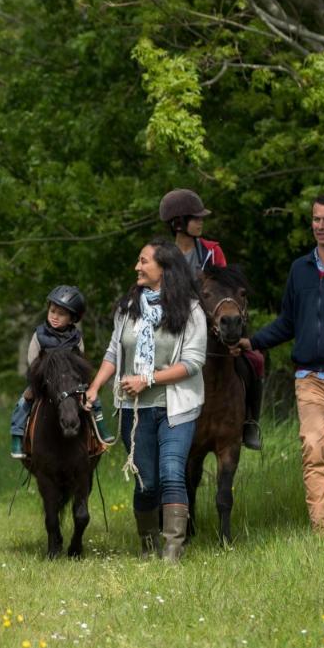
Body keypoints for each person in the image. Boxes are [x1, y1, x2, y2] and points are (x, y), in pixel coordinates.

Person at [232, 193, 324, 534]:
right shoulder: (300, 269)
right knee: (313, 449)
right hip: (310, 378)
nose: (320, 226)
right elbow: (288, 322)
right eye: (316, 219)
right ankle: (323, 531)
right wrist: (252, 342)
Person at [84, 239, 206, 562]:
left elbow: (193, 362)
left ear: (164, 269)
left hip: (176, 407)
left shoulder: (191, 310)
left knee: (171, 472)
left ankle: (172, 552)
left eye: (143, 261)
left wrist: (148, 379)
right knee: (147, 482)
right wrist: (96, 386)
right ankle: (148, 545)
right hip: (134, 410)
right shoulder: (128, 308)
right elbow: (114, 352)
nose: (137, 267)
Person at [160, 188, 265, 452]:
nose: (201, 221)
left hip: (212, 326)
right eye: (196, 218)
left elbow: (226, 287)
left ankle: (250, 422)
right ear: (179, 223)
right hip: (173, 326)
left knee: (256, 359)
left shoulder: (212, 251)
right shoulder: (161, 257)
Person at [9, 285, 113, 458]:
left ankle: (100, 431)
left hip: (71, 383)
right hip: (45, 381)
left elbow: (80, 362)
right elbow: (32, 359)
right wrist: (42, 376)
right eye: (52, 311)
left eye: (61, 314)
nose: (55, 317)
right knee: (23, 402)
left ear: (72, 318)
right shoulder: (39, 335)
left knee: (93, 399)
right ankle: (17, 436)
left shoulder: (76, 338)